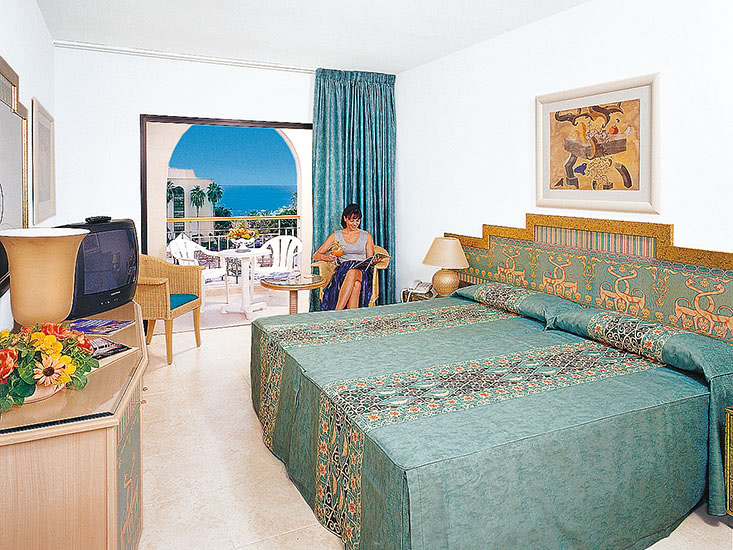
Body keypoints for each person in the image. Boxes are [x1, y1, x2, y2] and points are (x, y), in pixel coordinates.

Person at [314, 204, 383, 310]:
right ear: (345, 218)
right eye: (352, 221)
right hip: (343, 271)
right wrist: (329, 258)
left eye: (357, 220)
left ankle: (337, 311)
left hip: (362, 271)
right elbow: (316, 255)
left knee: (353, 272)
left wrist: (374, 261)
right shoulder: (336, 235)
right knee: (356, 286)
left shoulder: (366, 236)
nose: (355, 224)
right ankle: (351, 318)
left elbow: (369, 259)